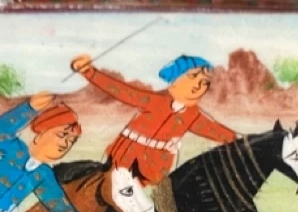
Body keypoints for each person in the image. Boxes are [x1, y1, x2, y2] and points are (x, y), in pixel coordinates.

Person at [70, 52, 236, 185]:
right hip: (126, 155)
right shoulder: (153, 100)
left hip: (157, 167)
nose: (198, 86)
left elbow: (219, 133)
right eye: (192, 76)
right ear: (174, 79)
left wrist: (244, 141)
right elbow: (119, 90)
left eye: (205, 82)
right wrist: (89, 72)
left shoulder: (192, 115)